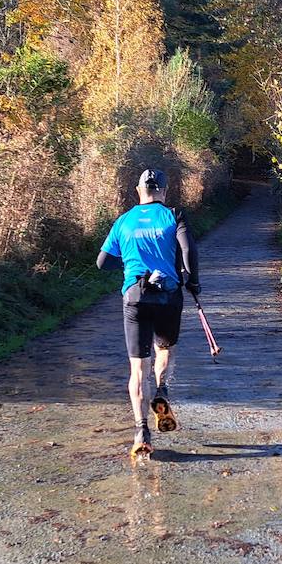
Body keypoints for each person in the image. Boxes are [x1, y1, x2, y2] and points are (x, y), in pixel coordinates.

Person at [96, 168, 200, 458]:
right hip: (167, 295)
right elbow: (189, 249)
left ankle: (142, 431)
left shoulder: (123, 221)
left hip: (135, 296)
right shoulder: (174, 215)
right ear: (164, 191)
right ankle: (163, 390)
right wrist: (192, 280)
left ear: (138, 190)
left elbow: (102, 262)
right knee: (165, 349)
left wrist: (130, 265)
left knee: (137, 369)